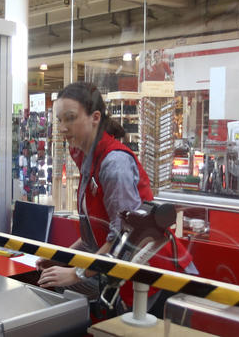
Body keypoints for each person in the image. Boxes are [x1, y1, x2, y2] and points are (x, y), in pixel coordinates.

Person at [37, 82, 195, 313]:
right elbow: (95, 236)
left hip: (160, 280)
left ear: (95, 117)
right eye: (59, 120)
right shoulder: (87, 160)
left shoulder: (113, 164)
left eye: (70, 118)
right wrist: (64, 258)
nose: (62, 127)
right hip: (131, 276)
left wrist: (74, 272)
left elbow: (125, 238)